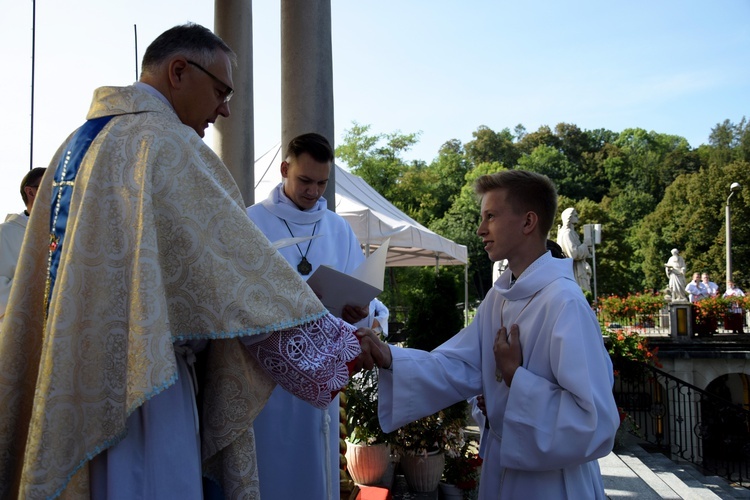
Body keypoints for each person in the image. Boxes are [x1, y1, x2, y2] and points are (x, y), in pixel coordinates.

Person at [0, 24, 362, 500]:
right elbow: (239, 283)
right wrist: (342, 344)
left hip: (70, 382)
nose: (225, 109)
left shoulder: (73, 150)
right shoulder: (168, 145)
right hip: (149, 388)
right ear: (178, 71)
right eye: (220, 90)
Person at [357, 170, 619, 499]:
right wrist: (389, 356)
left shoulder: (565, 303)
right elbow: (461, 364)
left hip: (552, 483)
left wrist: (514, 376)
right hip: (502, 465)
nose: (481, 229)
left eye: (491, 217)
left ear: (528, 222)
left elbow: (594, 422)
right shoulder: (500, 296)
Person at [246, 132, 370, 500]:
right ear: (285, 169)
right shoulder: (251, 222)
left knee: (316, 474)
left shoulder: (338, 228)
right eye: (304, 180)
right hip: (269, 378)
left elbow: (361, 298)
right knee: (274, 470)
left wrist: (358, 311)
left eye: (321, 183)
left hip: (320, 377)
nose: (314, 191)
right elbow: (239, 297)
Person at [0, 167, 45, 325]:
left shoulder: (68, 233)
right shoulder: (5, 234)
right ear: (30, 192)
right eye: (52, 187)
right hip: (19, 329)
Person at [556, 207, 592, 292]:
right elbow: (574, 254)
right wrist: (585, 245)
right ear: (568, 217)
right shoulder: (566, 233)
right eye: (575, 215)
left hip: (577, 269)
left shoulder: (571, 233)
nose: (577, 217)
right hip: (574, 271)